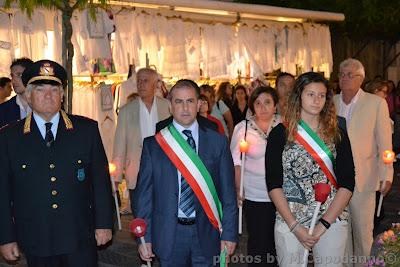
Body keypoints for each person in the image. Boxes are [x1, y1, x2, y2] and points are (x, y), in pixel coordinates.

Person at [0, 60, 114, 267]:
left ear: (62, 95)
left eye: (54, 89)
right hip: (36, 237)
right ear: (28, 95)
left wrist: (104, 224)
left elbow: (100, 182)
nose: (48, 95)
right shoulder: (9, 137)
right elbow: (2, 192)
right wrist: (6, 237)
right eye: (40, 89)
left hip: (79, 234)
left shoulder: (86, 130)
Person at [133, 79, 238, 266]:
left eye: (190, 101)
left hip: (207, 231)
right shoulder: (154, 145)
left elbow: (228, 193)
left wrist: (229, 234)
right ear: (170, 106)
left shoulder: (217, 142)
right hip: (168, 233)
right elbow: (144, 197)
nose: (185, 107)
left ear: (199, 105)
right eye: (178, 102)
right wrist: (144, 238)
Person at [266, 72, 355, 267]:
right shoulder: (279, 134)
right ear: (299, 96)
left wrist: (324, 224)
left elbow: (347, 182)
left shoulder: (337, 134)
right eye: (310, 94)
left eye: (322, 95)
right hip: (290, 218)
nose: (317, 100)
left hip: (332, 217)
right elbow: (273, 183)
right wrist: (295, 226)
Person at [334, 59, 393, 266]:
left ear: (361, 78)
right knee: (339, 237)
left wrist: (387, 175)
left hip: (364, 180)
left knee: (362, 235)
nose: (345, 78)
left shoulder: (376, 103)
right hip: (336, 181)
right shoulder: (330, 103)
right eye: (342, 74)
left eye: (350, 74)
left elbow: (385, 142)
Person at [230, 86, 281, 266]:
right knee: (258, 241)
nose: (263, 107)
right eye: (258, 103)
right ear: (252, 106)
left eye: (267, 102)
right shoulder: (243, 128)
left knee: (279, 242)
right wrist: (238, 188)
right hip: (254, 194)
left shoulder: (285, 125)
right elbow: (236, 162)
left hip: (282, 196)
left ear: (275, 105)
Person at [112, 68, 170, 214]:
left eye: (145, 81)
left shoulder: (167, 107)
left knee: (163, 214)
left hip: (164, 169)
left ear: (155, 84)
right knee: (140, 217)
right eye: (139, 81)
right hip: (136, 171)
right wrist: (116, 178)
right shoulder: (126, 111)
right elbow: (119, 146)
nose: (141, 84)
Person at [0, 58, 33, 128]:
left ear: (31, 76)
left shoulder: (45, 106)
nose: (13, 81)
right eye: (12, 76)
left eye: (19, 75)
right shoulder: (3, 110)